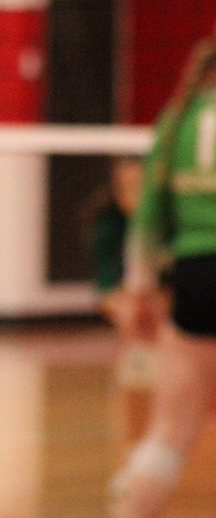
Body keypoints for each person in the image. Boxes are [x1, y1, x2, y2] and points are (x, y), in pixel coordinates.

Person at [111, 36, 216, 518]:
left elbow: (148, 217)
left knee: (171, 431)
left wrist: (138, 292)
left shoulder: (178, 121)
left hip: (195, 277)